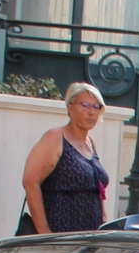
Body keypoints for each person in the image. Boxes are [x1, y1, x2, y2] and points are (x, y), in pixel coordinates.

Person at [19, 81, 109, 234]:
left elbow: (96, 189)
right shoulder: (55, 138)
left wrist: (103, 220)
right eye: (85, 105)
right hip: (61, 235)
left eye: (96, 106)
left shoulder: (90, 143)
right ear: (70, 106)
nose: (91, 112)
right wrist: (44, 232)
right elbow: (30, 181)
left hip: (89, 237)